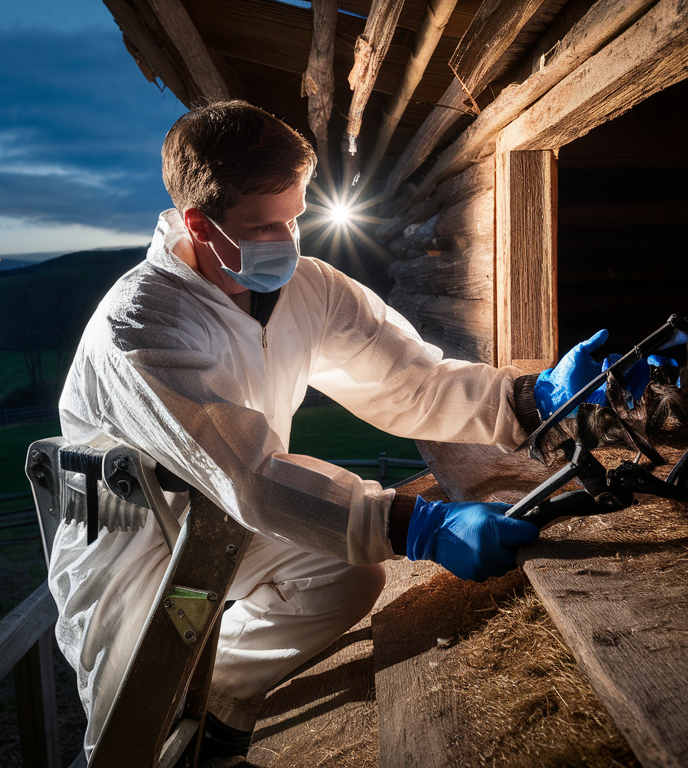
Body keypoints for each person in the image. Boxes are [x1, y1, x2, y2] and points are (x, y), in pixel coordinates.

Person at [49, 100, 608, 761]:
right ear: (199, 224)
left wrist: (528, 396)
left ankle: (218, 715)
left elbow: (410, 381)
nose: (287, 242)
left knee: (346, 574)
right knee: (133, 722)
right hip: (139, 548)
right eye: (265, 225)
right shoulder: (143, 326)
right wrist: (413, 524)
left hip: (234, 524)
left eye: (295, 217)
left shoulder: (307, 291)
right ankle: (170, 724)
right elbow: (251, 475)